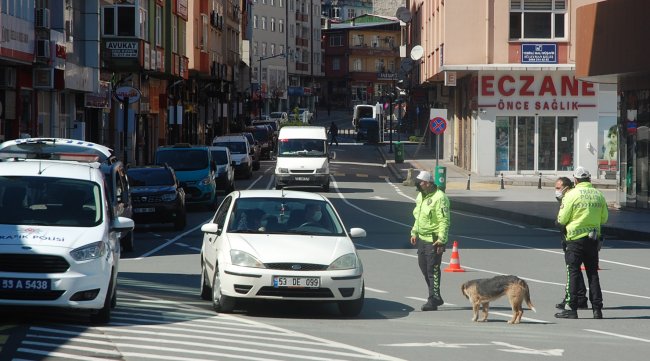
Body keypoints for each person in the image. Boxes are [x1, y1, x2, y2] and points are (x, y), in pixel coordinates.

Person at [555, 167, 608, 319]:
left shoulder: (571, 195)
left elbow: (562, 219)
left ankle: (571, 308)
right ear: (589, 179)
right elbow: (604, 219)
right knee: (593, 274)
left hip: (575, 240)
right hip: (593, 240)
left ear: (576, 180)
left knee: (574, 272)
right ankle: (597, 309)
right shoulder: (599, 195)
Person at [410, 170, 450, 311]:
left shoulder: (440, 198)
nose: (418, 185)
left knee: (432, 269)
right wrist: (414, 232)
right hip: (422, 238)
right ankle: (436, 295)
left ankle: (433, 299)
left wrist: (441, 240)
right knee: (423, 267)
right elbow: (418, 216)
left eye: (420, 182)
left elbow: (444, 220)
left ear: (427, 183)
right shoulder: (421, 196)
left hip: (434, 239)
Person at [554, 177, 588, 311]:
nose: (556, 191)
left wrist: (557, 223)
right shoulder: (567, 197)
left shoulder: (570, 197)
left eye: (558, 188)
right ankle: (581, 298)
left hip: (573, 237)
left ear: (566, 187)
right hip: (573, 236)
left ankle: (571, 299)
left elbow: (563, 219)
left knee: (572, 270)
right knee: (576, 270)